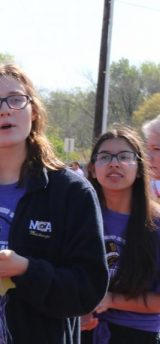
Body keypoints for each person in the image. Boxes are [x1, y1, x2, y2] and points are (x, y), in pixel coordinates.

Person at [0, 63, 108, 342]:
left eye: (15, 99)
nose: (5, 109)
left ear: (33, 111)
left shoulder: (71, 192)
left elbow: (87, 290)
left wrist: (25, 269)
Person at [81, 127, 160, 344]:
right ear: (92, 169)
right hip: (85, 332)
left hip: (138, 334)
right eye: (105, 156)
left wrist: (110, 300)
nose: (114, 163)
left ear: (140, 168)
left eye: (124, 157)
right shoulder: (79, 215)